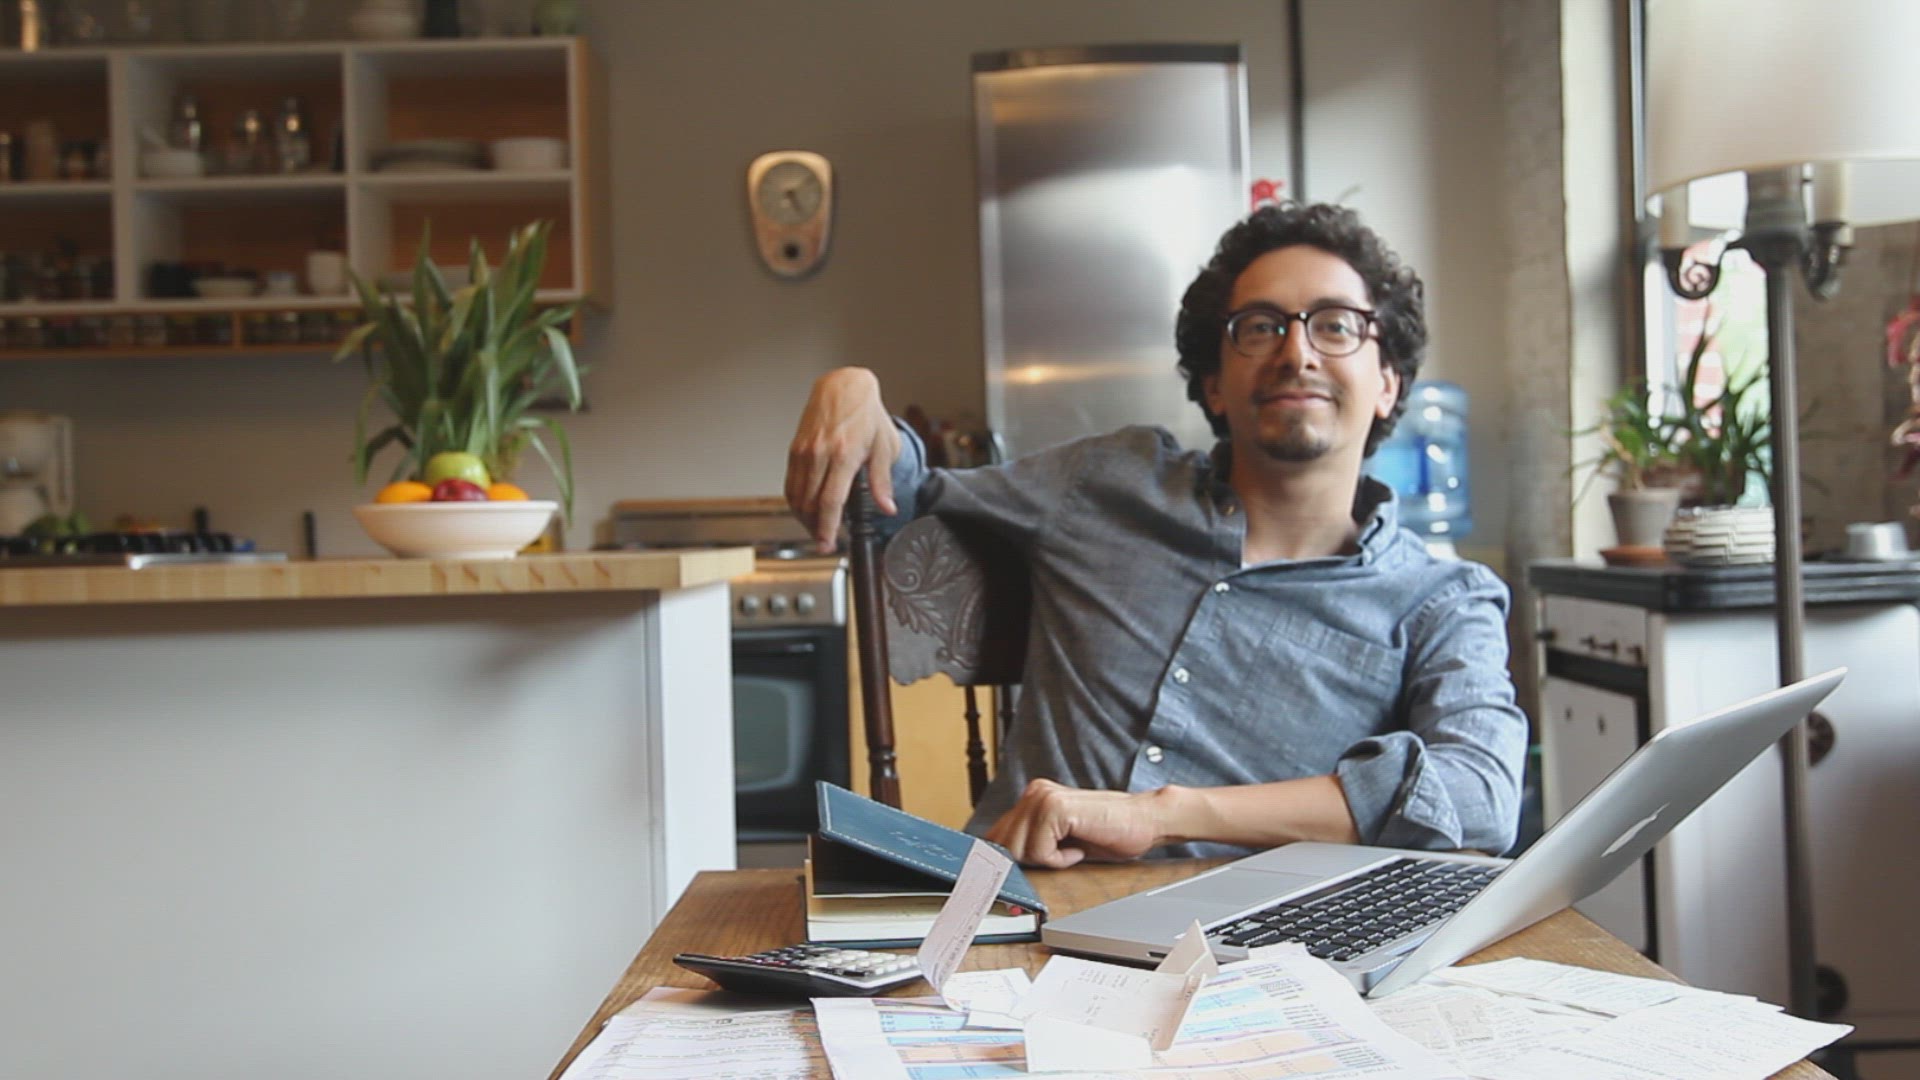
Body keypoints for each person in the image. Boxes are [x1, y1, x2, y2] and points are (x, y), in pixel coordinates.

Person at [785, 202, 1527, 868]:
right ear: (1213, 383)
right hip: (1017, 913)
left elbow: (1480, 796)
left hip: (1260, 947)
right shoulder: (1106, 481)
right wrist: (853, 391)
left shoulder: (1443, 599)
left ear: (1388, 382)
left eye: (1336, 326)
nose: (1297, 353)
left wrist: (1165, 815)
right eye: (1260, 326)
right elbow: (897, 502)